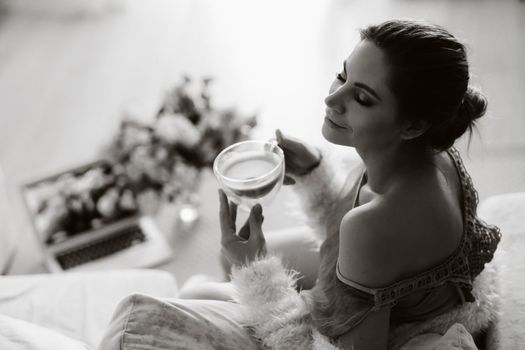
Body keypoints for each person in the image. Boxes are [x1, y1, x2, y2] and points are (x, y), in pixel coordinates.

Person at [98, 19, 501, 350]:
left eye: (361, 98)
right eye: (342, 75)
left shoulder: (375, 225)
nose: (332, 100)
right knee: (216, 278)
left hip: (408, 326)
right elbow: (366, 232)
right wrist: (313, 173)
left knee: (199, 293)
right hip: (416, 294)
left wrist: (254, 271)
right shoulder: (430, 153)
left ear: (412, 124)